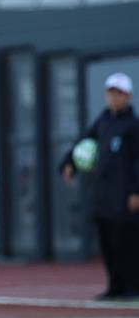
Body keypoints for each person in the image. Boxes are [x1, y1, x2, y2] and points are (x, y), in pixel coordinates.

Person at [60, 72, 139, 299]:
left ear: (128, 96)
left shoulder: (133, 126)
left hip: (125, 197)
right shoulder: (102, 122)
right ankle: (115, 287)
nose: (114, 98)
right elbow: (83, 145)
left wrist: (136, 191)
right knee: (107, 243)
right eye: (111, 93)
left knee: (128, 244)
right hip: (104, 195)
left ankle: (132, 287)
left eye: (119, 93)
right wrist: (69, 164)